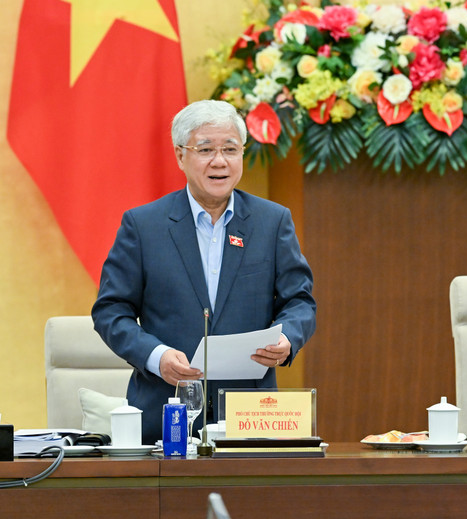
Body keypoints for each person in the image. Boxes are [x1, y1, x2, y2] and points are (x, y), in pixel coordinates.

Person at [92, 100, 316, 444]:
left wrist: (287, 338)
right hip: (164, 413)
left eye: (230, 149)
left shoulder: (272, 222)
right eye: (206, 149)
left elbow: (300, 301)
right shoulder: (143, 225)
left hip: (252, 417)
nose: (220, 161)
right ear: (181, 156)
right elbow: (111, 311)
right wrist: (157, 356)